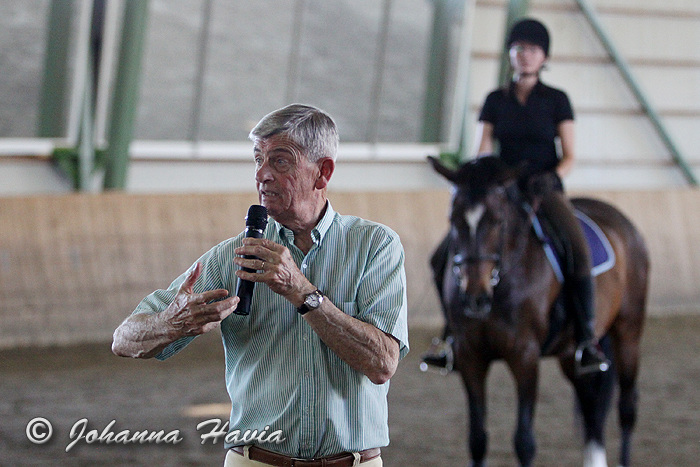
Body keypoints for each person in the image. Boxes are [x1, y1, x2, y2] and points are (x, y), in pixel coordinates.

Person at [112, 104, 409, 467]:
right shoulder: (231, 256)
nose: (261, 174)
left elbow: (382, 363)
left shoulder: (375, 245)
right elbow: (123, 340)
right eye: (258, 159)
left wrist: (301, 291)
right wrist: (170, 323)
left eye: (280, 161)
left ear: (323, 172)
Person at [421, 18, 608, 376]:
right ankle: (450, 338)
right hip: (500, 191)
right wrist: (473, 177)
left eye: (533, 50)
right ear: (510, 54)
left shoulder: (556, 100)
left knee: (578, 249)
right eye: (519, 48)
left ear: (544, 57)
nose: (525, 55)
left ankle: (587, 340)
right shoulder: (495, 100)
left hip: (544, 189)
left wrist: (552, 177)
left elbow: (570, 155)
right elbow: (482, 149)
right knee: (441, 256)